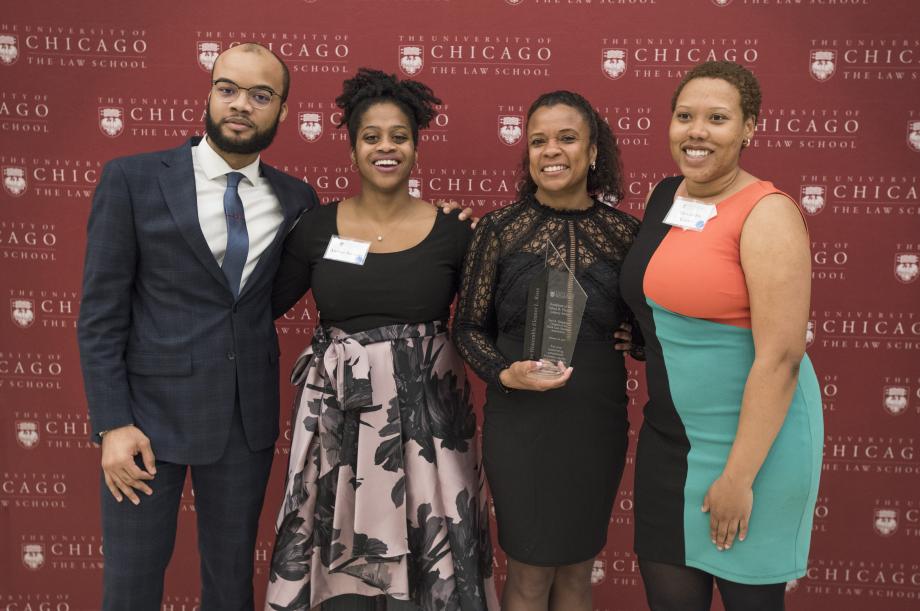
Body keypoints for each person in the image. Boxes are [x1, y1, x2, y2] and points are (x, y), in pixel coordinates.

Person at [76, 43, 319, 610]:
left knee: (231, 585)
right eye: (228, 88)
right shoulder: (131, 180)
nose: (241, 105)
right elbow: (100, 315)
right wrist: (112, 423)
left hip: (243, 421)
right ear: (209, 93)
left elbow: (262, 303)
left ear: (281, 111)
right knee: (131, 585)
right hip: (143, 426)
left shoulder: (296, 200)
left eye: (261, 95)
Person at [266, 68, 497, 611]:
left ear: (416, 148)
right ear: (352, 150)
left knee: (432, 550)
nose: (385, 147)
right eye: (371, 136)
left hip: (430, 429)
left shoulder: (454, 231)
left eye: (399, 136)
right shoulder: (315, 229)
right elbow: (256, 306)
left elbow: (492, 319)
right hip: (338, 419)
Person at [620, 60, 823, 611]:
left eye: (717, 118)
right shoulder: (666, 196)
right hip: (670, 442)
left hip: (755, 449)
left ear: (749, 127)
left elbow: (780, 358)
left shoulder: (768, 213)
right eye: (685, 116)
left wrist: (738, 476)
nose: (697, 132)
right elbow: (663, 293)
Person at [454, 90, 641, 611]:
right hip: (521, 422)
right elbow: (466, 327)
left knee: (578, 573)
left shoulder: (628, 234)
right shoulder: (497, 230)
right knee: (530, 574)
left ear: (594, 151)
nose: (550, 150)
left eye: (566, 138)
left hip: (594, 421)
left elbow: (653, 326)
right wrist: (504, 373)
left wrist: (638, 342)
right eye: (538, 141)